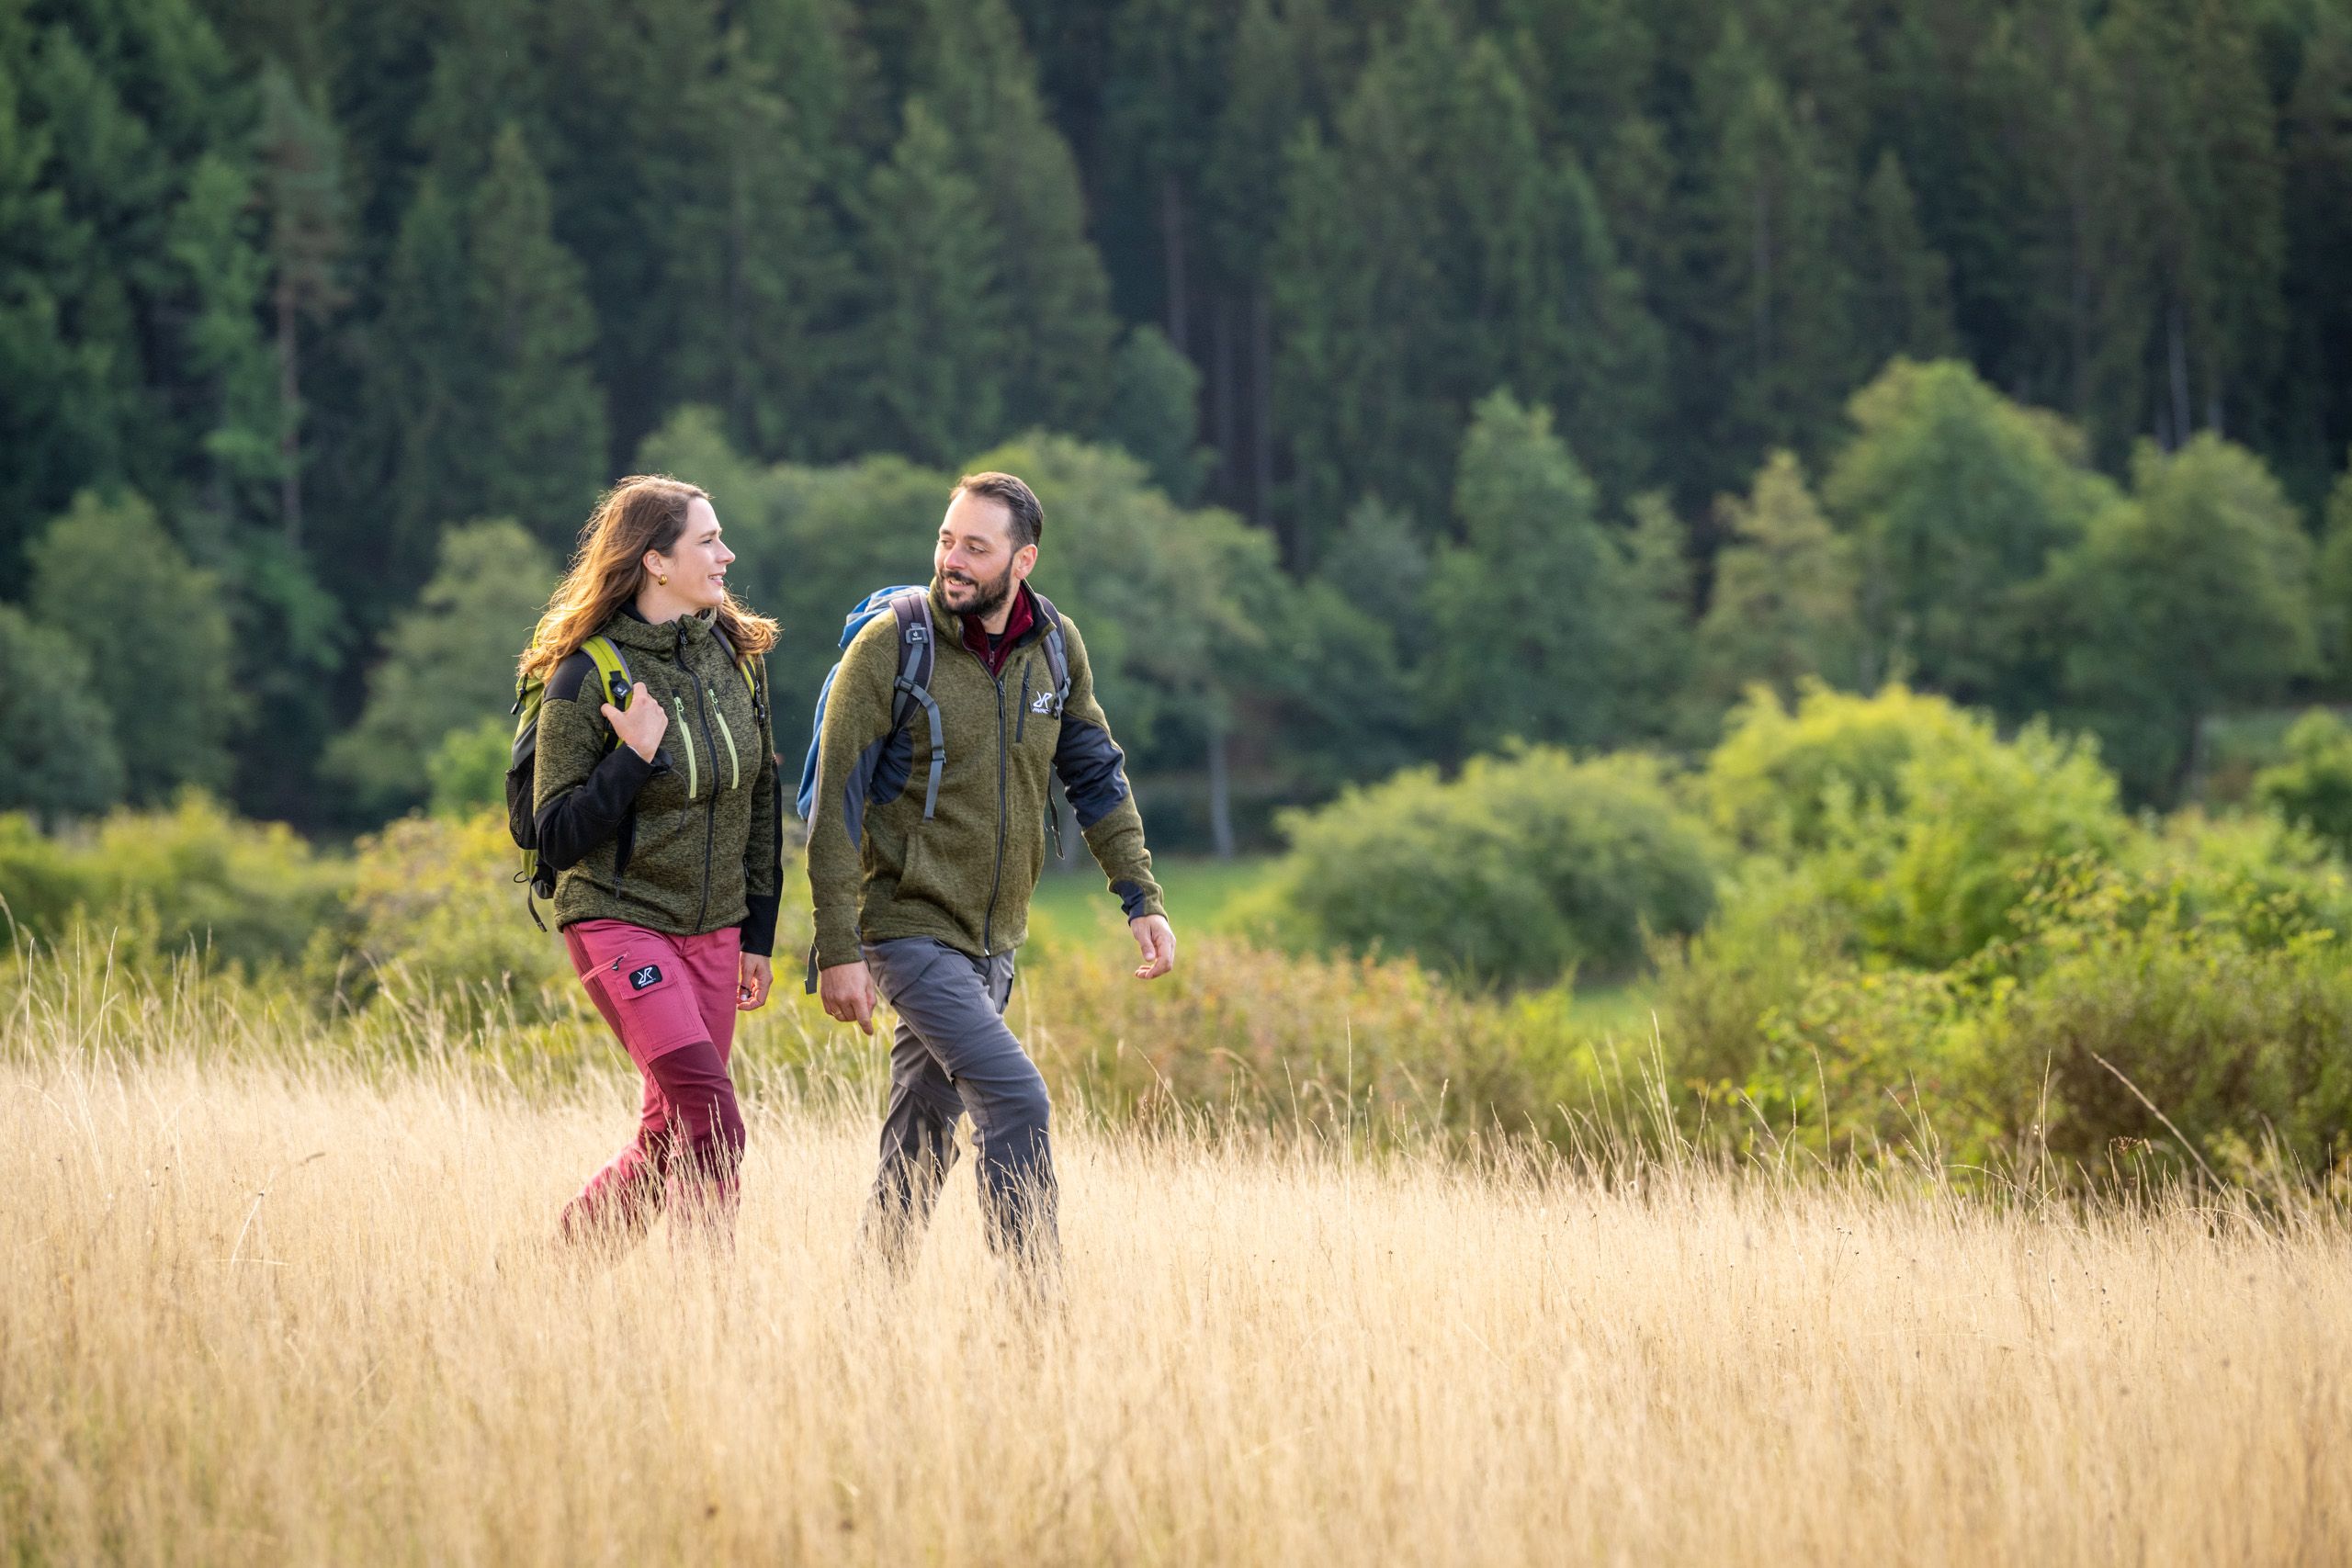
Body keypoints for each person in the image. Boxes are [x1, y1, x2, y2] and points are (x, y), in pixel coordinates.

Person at [806, 471, 1175, 1275]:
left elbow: (1097, 776)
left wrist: (1140, 896)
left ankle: (867, 1311)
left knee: (923, 1132)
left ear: (1024, 558)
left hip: (995, 938)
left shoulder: (1054, 646)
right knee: (1017, 1099)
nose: (953, 560)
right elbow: (834, 807)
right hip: (906, 926)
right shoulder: (892, 647)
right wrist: (837, 948)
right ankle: (1033, 1313)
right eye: (946, 540)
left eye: (976, 546)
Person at [524, 474, 782, 1249]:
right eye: (708, 540)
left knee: (671, 1137)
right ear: (656, 562)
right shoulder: (584, 675)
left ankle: (560, 1272)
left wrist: (758, 936)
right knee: (713, 1116)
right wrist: (631, 757)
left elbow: (759, 801)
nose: (726, 554)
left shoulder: (734, 659)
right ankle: (706, 1312)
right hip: (618, 920)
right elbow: (554, 835)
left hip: (715, 931)